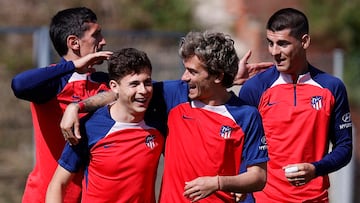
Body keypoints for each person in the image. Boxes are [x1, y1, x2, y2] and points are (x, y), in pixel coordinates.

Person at [60, 31, 269, 202]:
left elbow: (258, 177)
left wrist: (218, 183)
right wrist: (76, 107)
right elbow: (123, 93)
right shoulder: (175, 95)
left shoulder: (246, 115)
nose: (184, 77)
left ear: (217, 76)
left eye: (192, 72)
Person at [238, 8, 353, 202]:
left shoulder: (332, 88)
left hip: (314, 198)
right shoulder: (255, 88)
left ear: (304, 41)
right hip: (264, 199)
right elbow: (238, 148)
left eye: (282, 44)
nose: (274, 52)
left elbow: (345, 147)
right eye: (270, 43)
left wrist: (316, 169)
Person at [11, 7, 113, 203]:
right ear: (74, 42)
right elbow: (19, 85)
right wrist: (74, 65)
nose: (103, 40)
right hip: (47, 196)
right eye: (96, 34)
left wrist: (78, 106)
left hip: (90, 197)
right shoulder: (52, 82)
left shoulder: (105, 81)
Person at [45, 48, 164, 203]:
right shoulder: (90, 127)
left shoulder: (159, 122)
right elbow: (58, 184)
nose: (143, 90)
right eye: (134, 84)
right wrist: (74, 106)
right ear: (114, 86)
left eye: (147, 82)